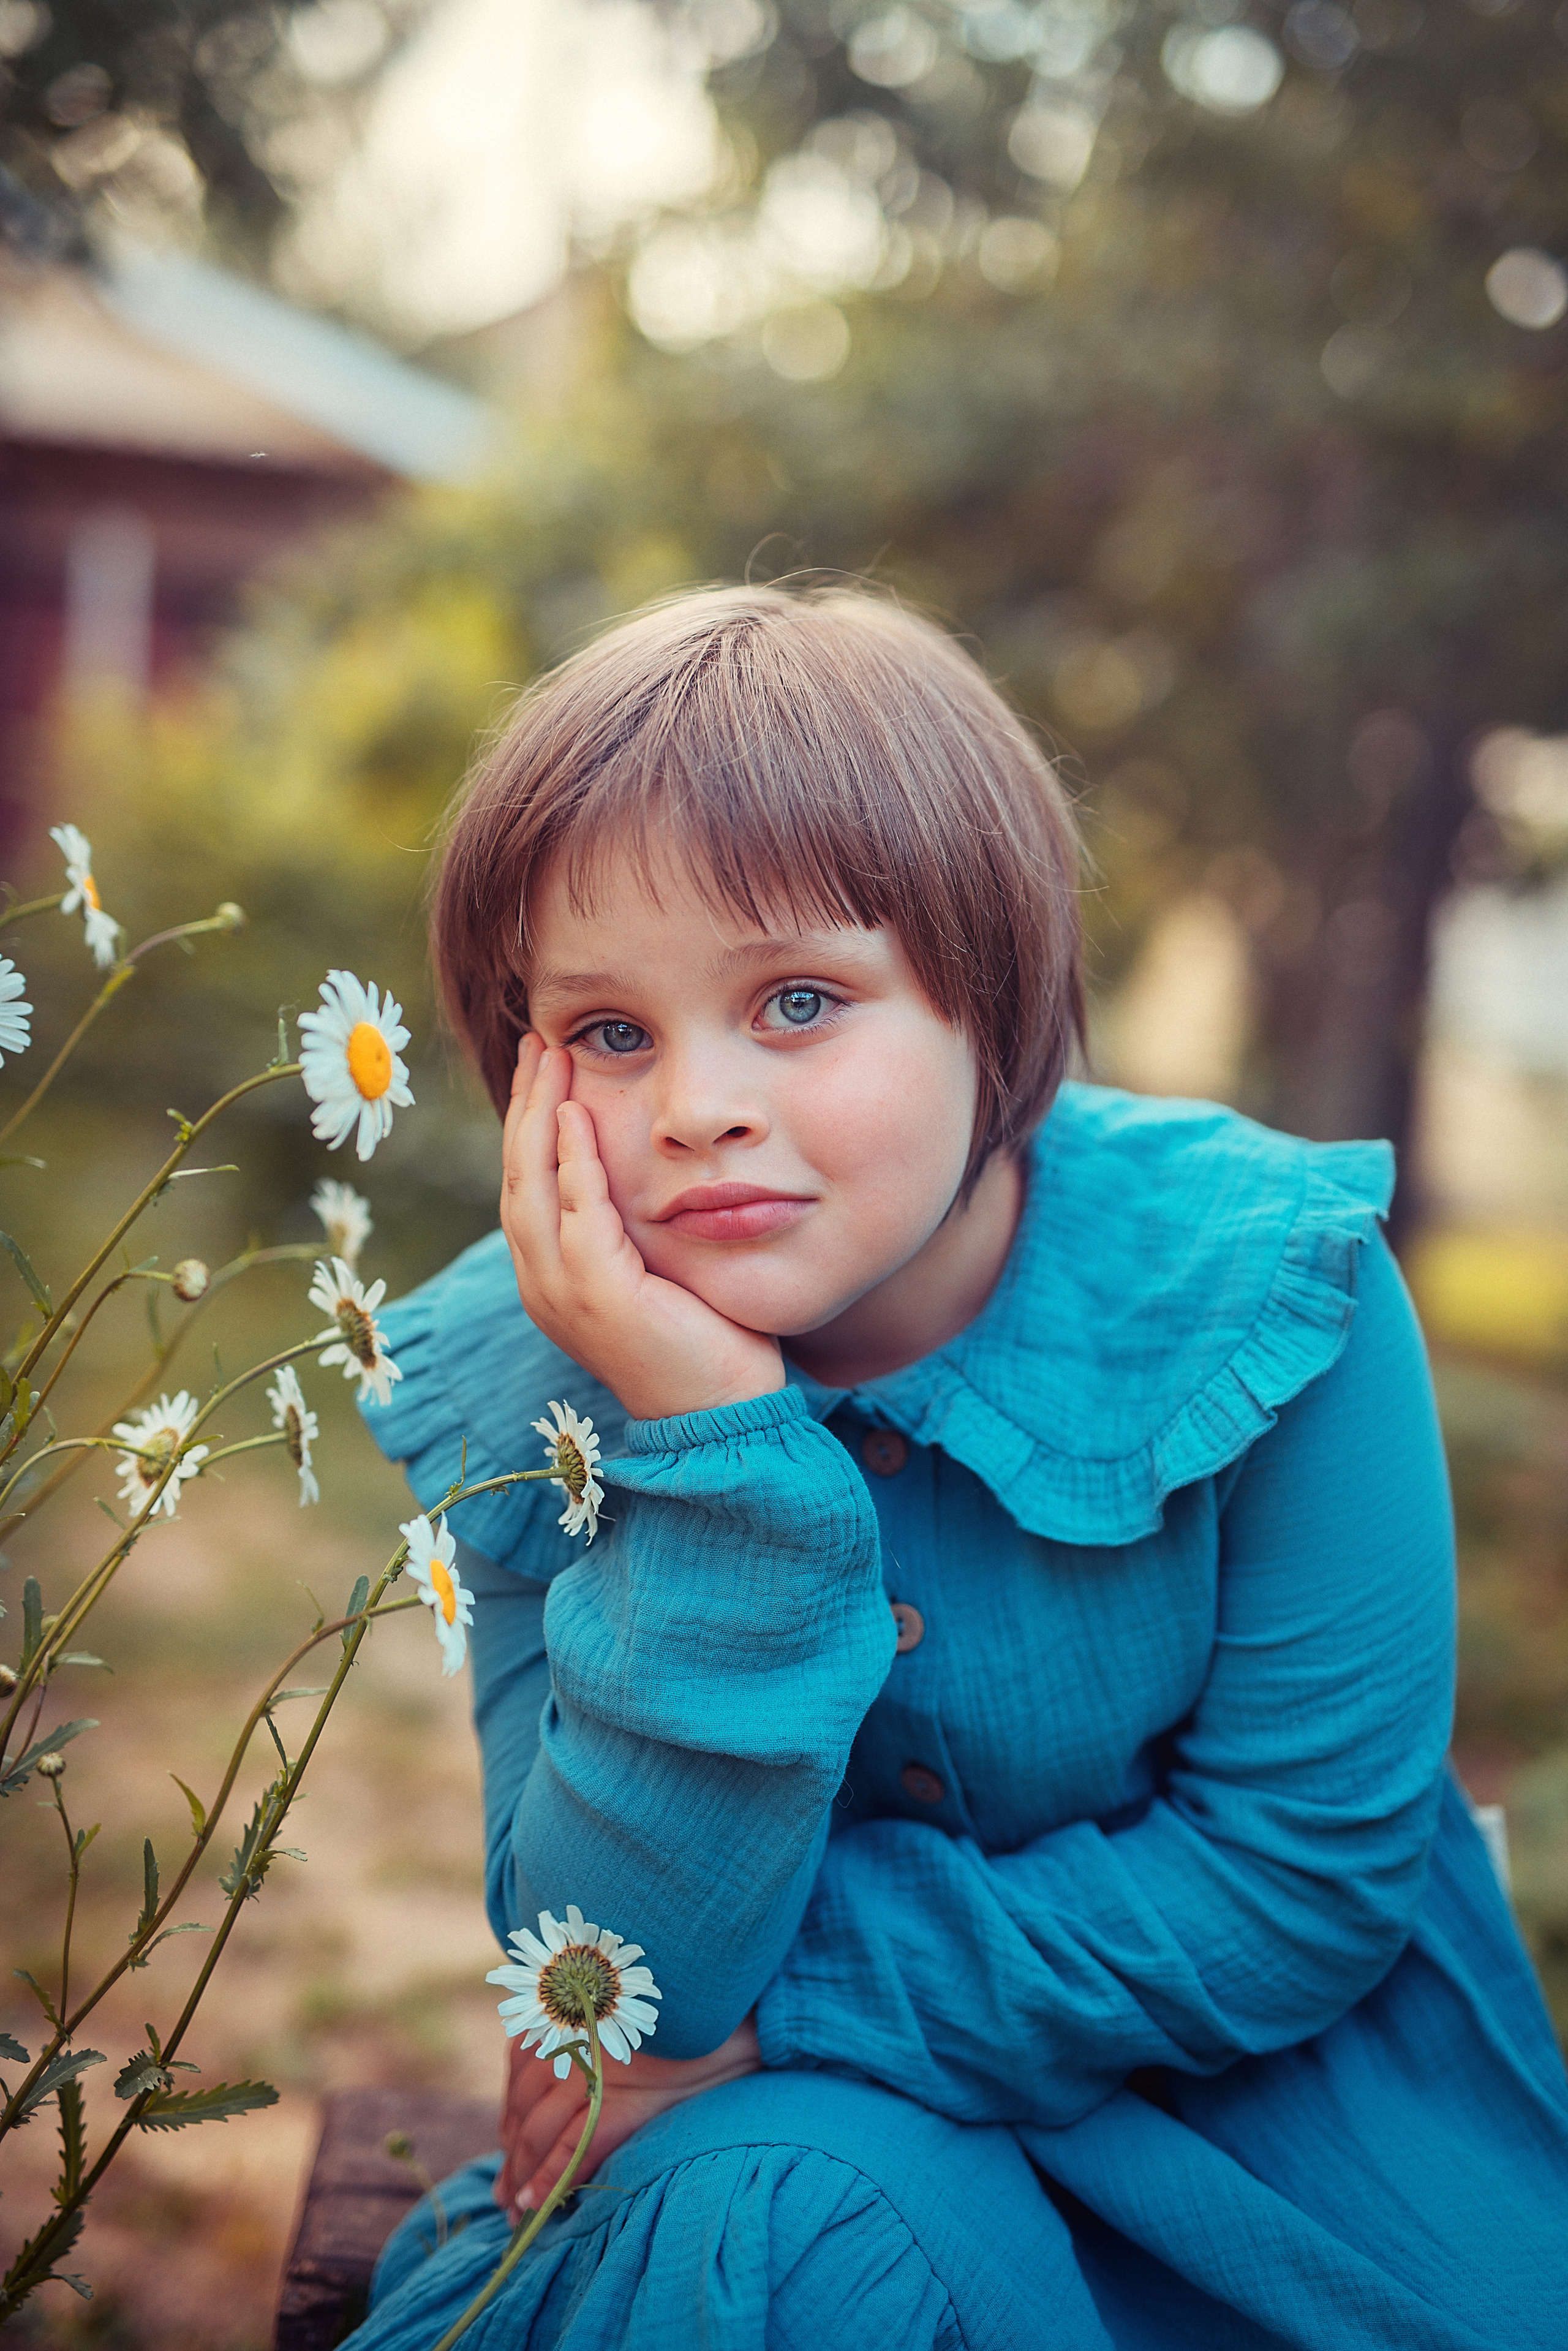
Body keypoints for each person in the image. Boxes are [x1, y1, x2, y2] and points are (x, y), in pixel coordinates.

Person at [347, 585, 1568, 2351]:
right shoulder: (542, 1390)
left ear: (987, 1001)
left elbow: (1302, 1874)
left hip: (1288, 2134)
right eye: (610, 1033)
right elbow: (625, 1988)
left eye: (795, 1000)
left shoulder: (1265, 1292)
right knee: (787, 2227)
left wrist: (803, 2001)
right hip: (831, 2147)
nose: (696, 1103)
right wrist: (709, 1453)